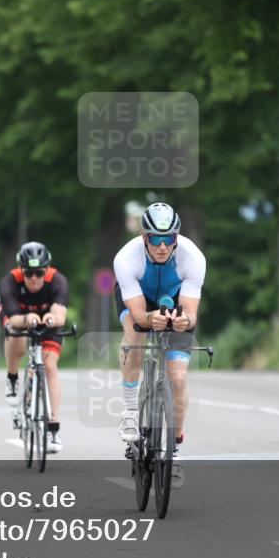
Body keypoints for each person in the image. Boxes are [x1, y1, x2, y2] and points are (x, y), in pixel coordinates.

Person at [114, 202, 206, 487]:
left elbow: (190, 314)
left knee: (177, 377)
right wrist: (149, 318)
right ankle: (131, 410)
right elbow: (140, 316)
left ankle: (174, 449)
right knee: (136, 334)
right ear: (145, 238)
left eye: (169, 239)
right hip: (139, 300)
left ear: (177, 238)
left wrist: (184, 322)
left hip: (175, 303)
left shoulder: (193, 258)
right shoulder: (126, 258)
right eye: (156, 239)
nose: (163, 246)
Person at [0, 242, 69, 454]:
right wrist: (26, 318)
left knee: (50, 367)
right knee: (17, 337)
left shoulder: (58, 281)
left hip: (47, 323)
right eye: (29, 273)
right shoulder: (9, 282)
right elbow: (13, 317)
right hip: (18, 316)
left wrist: (51, 317)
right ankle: (12, 378)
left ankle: (53, 428)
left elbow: (60, 316)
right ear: (21, 270)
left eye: (39, 272)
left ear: (46, 269)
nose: (35, 278)